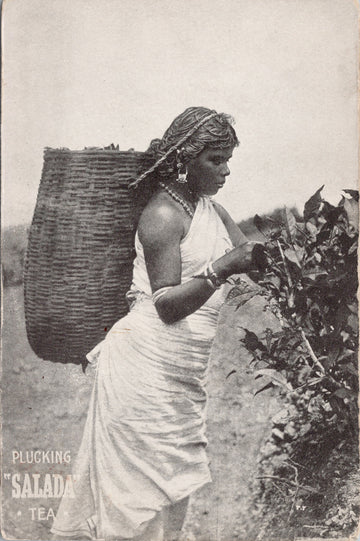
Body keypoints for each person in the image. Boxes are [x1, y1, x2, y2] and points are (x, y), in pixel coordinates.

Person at [51, 106, 266, 541]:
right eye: (216, 160)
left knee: (175, 482)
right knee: (136, 495)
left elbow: (253, 259)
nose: (226, 171)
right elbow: (166, 305)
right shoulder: (163, 215)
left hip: (182, 375)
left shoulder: (212, 210)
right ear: (186, 159)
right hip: (142, 366)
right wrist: (222, 268)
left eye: (228, 161)